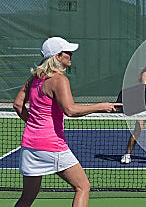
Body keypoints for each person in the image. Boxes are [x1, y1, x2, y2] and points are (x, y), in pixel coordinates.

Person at [13, 37, 122, 207]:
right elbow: (70, 110)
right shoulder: (59, 80)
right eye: (67, 53)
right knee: (83, 186)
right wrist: (101, 106)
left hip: (29, 145)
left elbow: (18, 105)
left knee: (27, 197)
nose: (70, 55)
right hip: (51, 145)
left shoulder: (33, 79)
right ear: (57, 56)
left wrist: (34, 124)